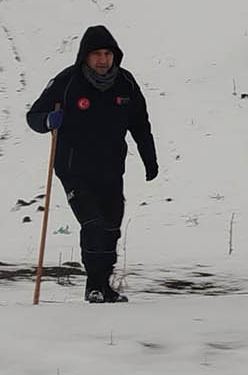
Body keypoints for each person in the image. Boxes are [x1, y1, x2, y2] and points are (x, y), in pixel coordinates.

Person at [26, 25, 158, 303]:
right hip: (74, 170)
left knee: (111, 227)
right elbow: (34, 115)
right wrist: (48, 120)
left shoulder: (126, 83)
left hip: (111, 170)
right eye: (96, 54)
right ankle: (94, 286)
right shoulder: (68, 81)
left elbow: (141, 124)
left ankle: (100, 285)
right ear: (85, 56)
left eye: (107, 54)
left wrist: (150, 159)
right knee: (94, 223)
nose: (102, 60)